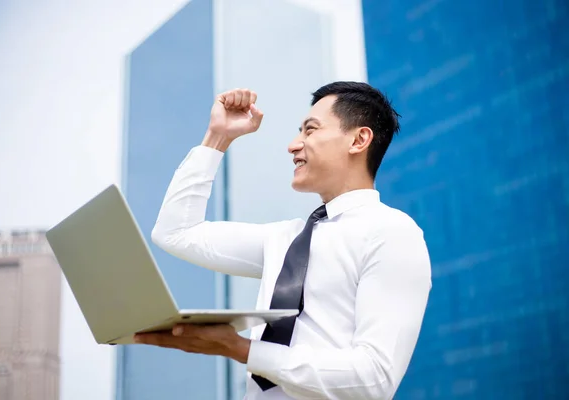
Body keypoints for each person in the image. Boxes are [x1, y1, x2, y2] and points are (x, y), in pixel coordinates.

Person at [134, 82, 432, 400]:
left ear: (359, 139)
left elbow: (374, 379)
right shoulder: (285, 239)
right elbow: (175, 233)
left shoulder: (392, 233)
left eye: (310, 130)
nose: (293, 145)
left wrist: (242, 349)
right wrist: (217, 138)